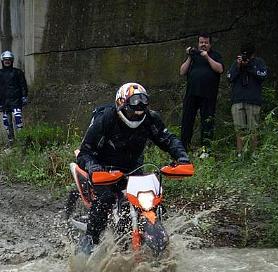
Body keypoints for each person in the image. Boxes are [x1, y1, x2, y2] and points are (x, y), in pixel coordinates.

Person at [75, 82, 190, 254]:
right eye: (133, 106)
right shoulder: (106, 119)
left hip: (133, 169)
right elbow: (85, 152)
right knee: (105, 199)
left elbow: (169, 140)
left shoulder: (151, 119)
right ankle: (90, 239)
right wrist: (94, 167)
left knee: (154, 202)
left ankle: (153, 242)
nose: (138, 111)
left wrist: (182, 158)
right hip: (104, 170)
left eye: (142, 107)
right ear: (121, 104)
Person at [179, 33, 224, 158]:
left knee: (207, 123)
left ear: (210, 44)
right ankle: (183, 149)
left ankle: (206, 151)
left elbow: (220, 69)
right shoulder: (193, 57)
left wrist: (207, 57)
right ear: (198, 43)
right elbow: (182, 71)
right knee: (187, 121)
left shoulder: (215, 55)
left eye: (206, 42)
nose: (203, 45)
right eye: (201, 42)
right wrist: (189, 57)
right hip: (192, 94)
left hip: (208, 96)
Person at [227, 43, 268, 156]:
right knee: (239, 129)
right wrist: (238, 66)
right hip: (238, 99)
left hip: (253, 100)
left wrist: (249, 66)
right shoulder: (237, 63)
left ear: (253, 54)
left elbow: (263, 76)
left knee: (253, 128)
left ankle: (254, 153)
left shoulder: (258, 62)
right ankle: (240, 153)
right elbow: (229, 77)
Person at [0, 50, 29, 145]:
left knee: (18, 120)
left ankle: (21, 141)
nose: (7, 61)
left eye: (9, 59)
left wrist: (24, 96)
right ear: (2, 61)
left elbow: (23, 85)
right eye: (5, 60)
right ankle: (11, 140)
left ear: (12, 60)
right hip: (4, 102)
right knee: (7, 122)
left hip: (16, 101)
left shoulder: (18, 72)